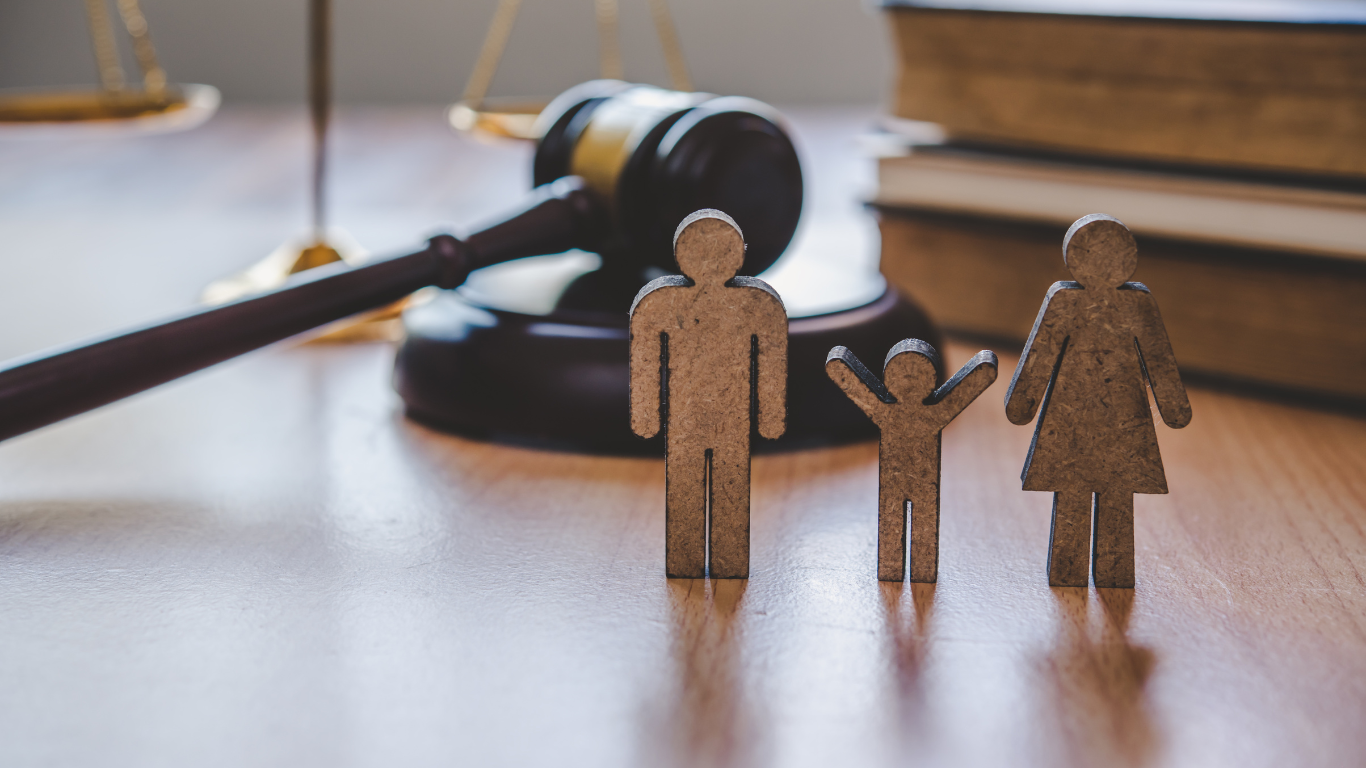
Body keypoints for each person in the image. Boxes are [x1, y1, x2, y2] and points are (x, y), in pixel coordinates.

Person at [1005, 214, 1192, 588]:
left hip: (1110, 422)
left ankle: (1103, 573)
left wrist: (1022, 404)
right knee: (1089, 493)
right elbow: (1041, 354)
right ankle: (1076, 571)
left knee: (1111, 497)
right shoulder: (1067, 301)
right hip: (1080, 423)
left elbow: (1158, 360)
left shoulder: (1135, 304)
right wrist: (1174, 408)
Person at [629, 210, 787, 579]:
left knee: (729, 481)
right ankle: (688, 559)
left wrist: (770, 418)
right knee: (686, 482)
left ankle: (727, 559)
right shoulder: (660, 303)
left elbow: (772, 360)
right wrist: (646, 417)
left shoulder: (758, 305)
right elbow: (645, 356)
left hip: (730, 418)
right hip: (684, 420)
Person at [827, 340, 997, 582]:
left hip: (917, 483)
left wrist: (984, 369)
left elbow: (852, 381)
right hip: (904, 482)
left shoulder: (902, 412)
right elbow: (853, 382)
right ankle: (901, 570)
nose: (909, 383)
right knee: (897, 522)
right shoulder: (911, 412)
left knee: (916, 525)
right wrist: (984, 369)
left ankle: (915, 570)